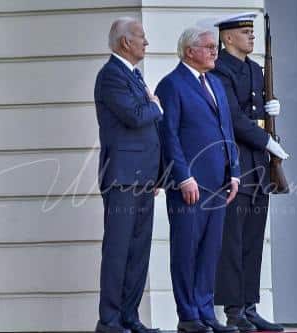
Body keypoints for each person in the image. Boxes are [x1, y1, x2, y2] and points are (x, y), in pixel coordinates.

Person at [155, 27, 241, 333]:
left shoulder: (215, 83)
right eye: (208, 47)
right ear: (189, 51)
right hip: (189, 184)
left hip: (219, 182)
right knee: (186, 249)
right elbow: (169, 135)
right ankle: (188, 316)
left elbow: (226, 129)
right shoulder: (171, 85)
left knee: (210, 251)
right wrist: (183, 177)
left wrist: (235, 172)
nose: (214, 51)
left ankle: (206, 313)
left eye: (214, 47)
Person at [210, 12, 289, 333]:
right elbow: (233, 117)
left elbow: (256, 113)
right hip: (237, 162)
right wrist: (268, 140)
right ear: (228, 38)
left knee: (253, 240)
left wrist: (271, 118)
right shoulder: (221, 70)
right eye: (245, 32)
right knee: (233, 241)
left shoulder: (256, 69)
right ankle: (233, 311)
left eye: (253, 33)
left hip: (258, 165)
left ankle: (250, 306)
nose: (251, 37)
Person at [94, 17, 163, 333]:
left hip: (143, 178)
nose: (146, 43)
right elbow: (136, 117)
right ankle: (109, 320)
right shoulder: (111, 76)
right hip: (122, 177)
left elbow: (148, 127)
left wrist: (158, 175)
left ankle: (129, 317)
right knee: (118, 250)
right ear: (125, 42)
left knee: (138, 252)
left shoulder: (133, 76)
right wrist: (156, 106)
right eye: (141, 37)